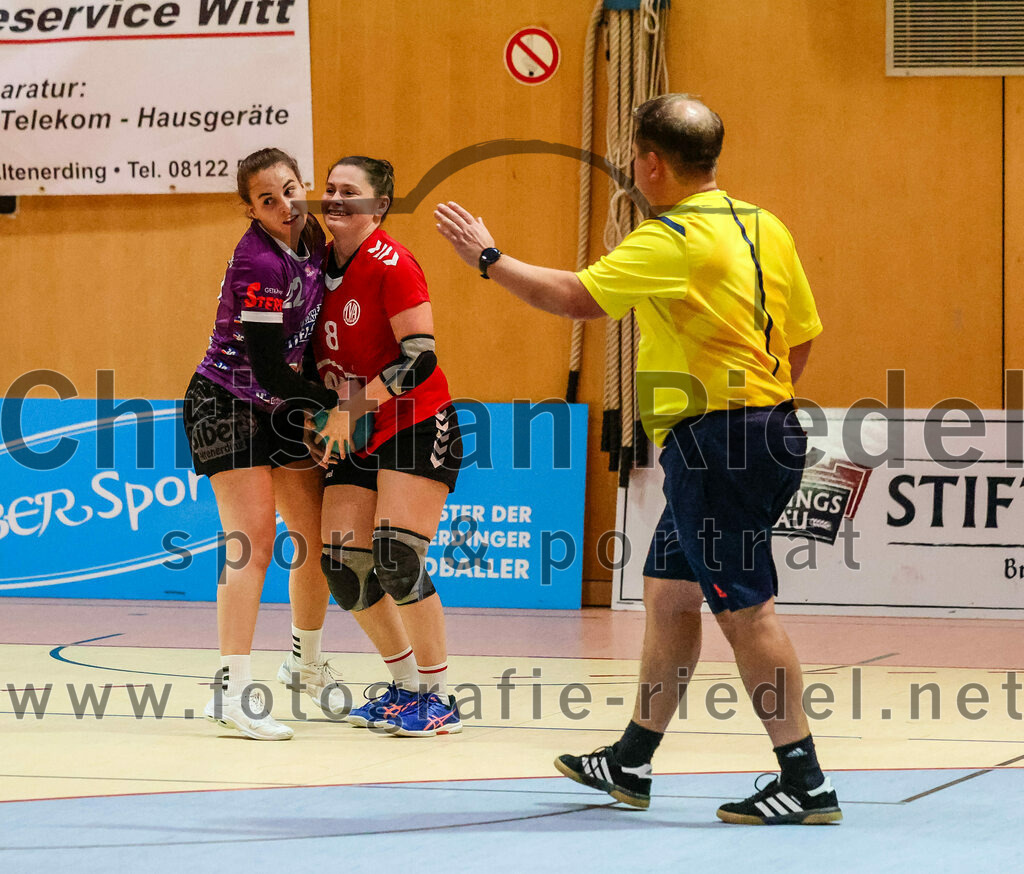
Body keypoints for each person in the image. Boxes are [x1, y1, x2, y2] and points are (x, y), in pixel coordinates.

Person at [434, 94, 841, 824]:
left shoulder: (672, 237)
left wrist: (487, 259)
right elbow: (803, 335)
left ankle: (806, 782)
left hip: (720, 444)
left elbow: (576, 299)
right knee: (668, 591)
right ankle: (631, 760)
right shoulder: (763, 224)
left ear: (651, 162)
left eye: (634, 156)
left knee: (745, 611)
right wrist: (760, 403)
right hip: (751, 431)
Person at [182, 147, 348, 740]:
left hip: (278, 408)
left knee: (318, 537)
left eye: (288, 190)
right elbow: (270, 367)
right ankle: (230, 691)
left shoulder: (313, 240)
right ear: (249, 210)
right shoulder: (258, 262)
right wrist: (333, 409)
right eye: (266, 200)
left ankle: (305, 662)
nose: (283, 205)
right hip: (226, 402)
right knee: (252, 540)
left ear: (303, 184)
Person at [309, 155, 462, 737]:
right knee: (343, 567)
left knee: (397, 559)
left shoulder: (392, 263)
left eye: (350, 191)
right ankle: (403, 688)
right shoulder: (316, 268)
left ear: (379, 206)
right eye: (329, 188)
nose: (335, 198)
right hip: (355, 431)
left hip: (416, 423)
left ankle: (439, 697)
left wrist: (352, 408)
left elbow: (420, 355)